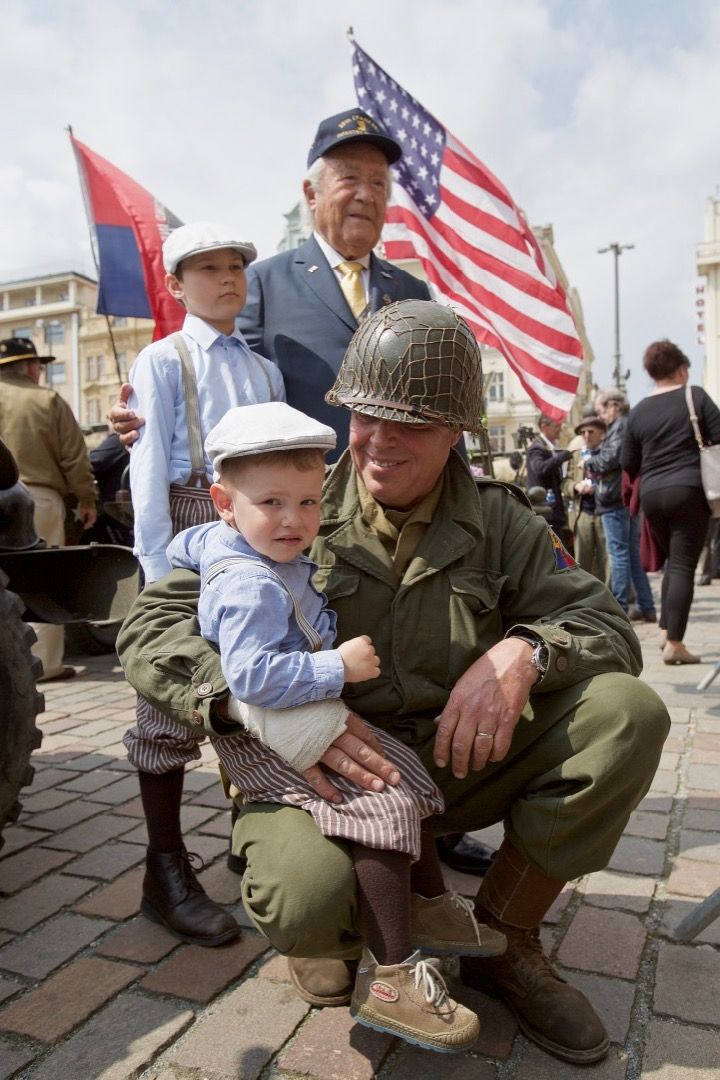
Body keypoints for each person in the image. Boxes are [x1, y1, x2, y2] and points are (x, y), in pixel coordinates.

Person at [117, 299, 671, 1066]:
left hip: (449, 763)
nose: (378, 441)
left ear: (457, 431)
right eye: (364, 415)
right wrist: (243, 700)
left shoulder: (501, 521)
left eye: (409, 422)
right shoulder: (288, 501)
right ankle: (362, 924)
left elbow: (604, 626)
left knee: (626, 713)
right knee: (306, 903)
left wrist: (526, 653)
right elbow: (149, 624)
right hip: (320, 776)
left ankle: (503, 939)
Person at [108, 108, 489, 878]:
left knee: (402, 652)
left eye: (379, 181)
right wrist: (137, 421)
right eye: (349, 177)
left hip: (387, 507)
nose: (366, 193)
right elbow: (210, 368)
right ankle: (266, 824)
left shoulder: (409, 288)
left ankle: (427, 816)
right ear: (311, 191)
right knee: (252, 657)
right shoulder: (264, 283)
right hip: (276, 512)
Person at [165, 399, 504, 1051]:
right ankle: (392, 978)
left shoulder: (233, 541)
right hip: (272, 733)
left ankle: (427, 905)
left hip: (303, 714)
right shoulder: (249, 584)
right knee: (382, 806)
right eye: (271, 503)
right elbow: (252, 678)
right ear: (224, 503)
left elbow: (186, 544)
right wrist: (336, 667)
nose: (293, 521)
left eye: (308, 502)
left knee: (403, 772)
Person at [123, 221, 285, 950]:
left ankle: (254, 841)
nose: (226, 280)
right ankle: (164, 870)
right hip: (188, 523)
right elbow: (148, 470)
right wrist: (159, 577)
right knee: (168, 698)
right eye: (208, 269)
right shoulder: (164, 359)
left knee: (255, 677)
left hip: (254, 530)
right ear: (176, 284)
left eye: (235, 268)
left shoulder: (265, 371)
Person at [0, 336, 97, 681]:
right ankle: (44, 666)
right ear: (30, 368)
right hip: (35, 498)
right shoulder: (47, 399)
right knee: (42, 582)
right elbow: (74, 456)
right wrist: (86, 498)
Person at [621, 339, 720, 664]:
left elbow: (628, 461)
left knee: (673, 563)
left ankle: (665, 630)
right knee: (681, 565)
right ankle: (675, 643)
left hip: (652, 495)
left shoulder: (638, 411)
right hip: (688, 489)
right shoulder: (694, 396)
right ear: (680, 369)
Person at [589, 388, 657, 622]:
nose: (600, 416)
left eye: (600, 410)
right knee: (632, 555)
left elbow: (610, 458)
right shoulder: (626, 424)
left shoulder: (620, 426)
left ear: (613, 406)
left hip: (614, 499)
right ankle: (646, 605)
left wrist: (589, 462)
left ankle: (618, 609)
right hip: (625, 498)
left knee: (618, 554)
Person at [524, 414, 574, 551]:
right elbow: (540, 468)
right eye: (556, 426)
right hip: (544, 509)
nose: (560, 429)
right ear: (544, 427)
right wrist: (562, 457)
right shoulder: (537, 448)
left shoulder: (549, 446)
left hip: (553, 509)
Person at [568, 416, 607, 581]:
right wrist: (576, 486)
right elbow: (566, 481)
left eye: (591, 431)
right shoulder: (577, 455)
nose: (586, 435)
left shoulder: (609, 452)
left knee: (607, 562)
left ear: (601, 433)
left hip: (605, 513)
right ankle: (584, 594)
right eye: (582, 432)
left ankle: (609, 594)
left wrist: (597, 487)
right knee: (582, 562)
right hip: (582, 512)